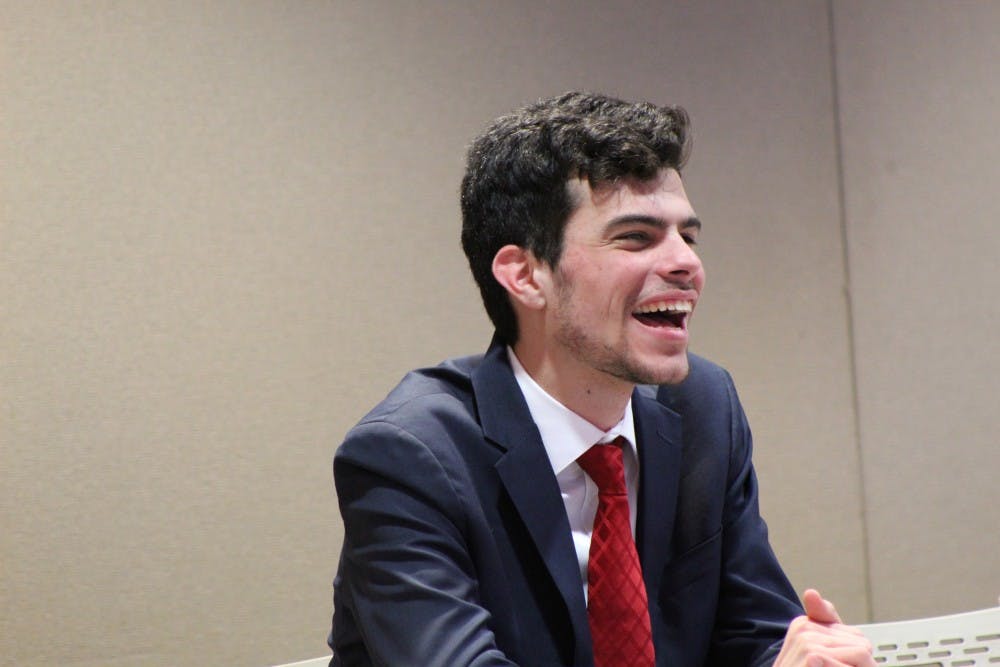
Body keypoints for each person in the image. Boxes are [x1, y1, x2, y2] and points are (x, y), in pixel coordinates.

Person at [328, 92, 875, 667]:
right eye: (636, 237)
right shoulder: (408, 456)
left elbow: (753, 636)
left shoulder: (703, 410)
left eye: (687, 236)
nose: (685, 263)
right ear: (525, 275)